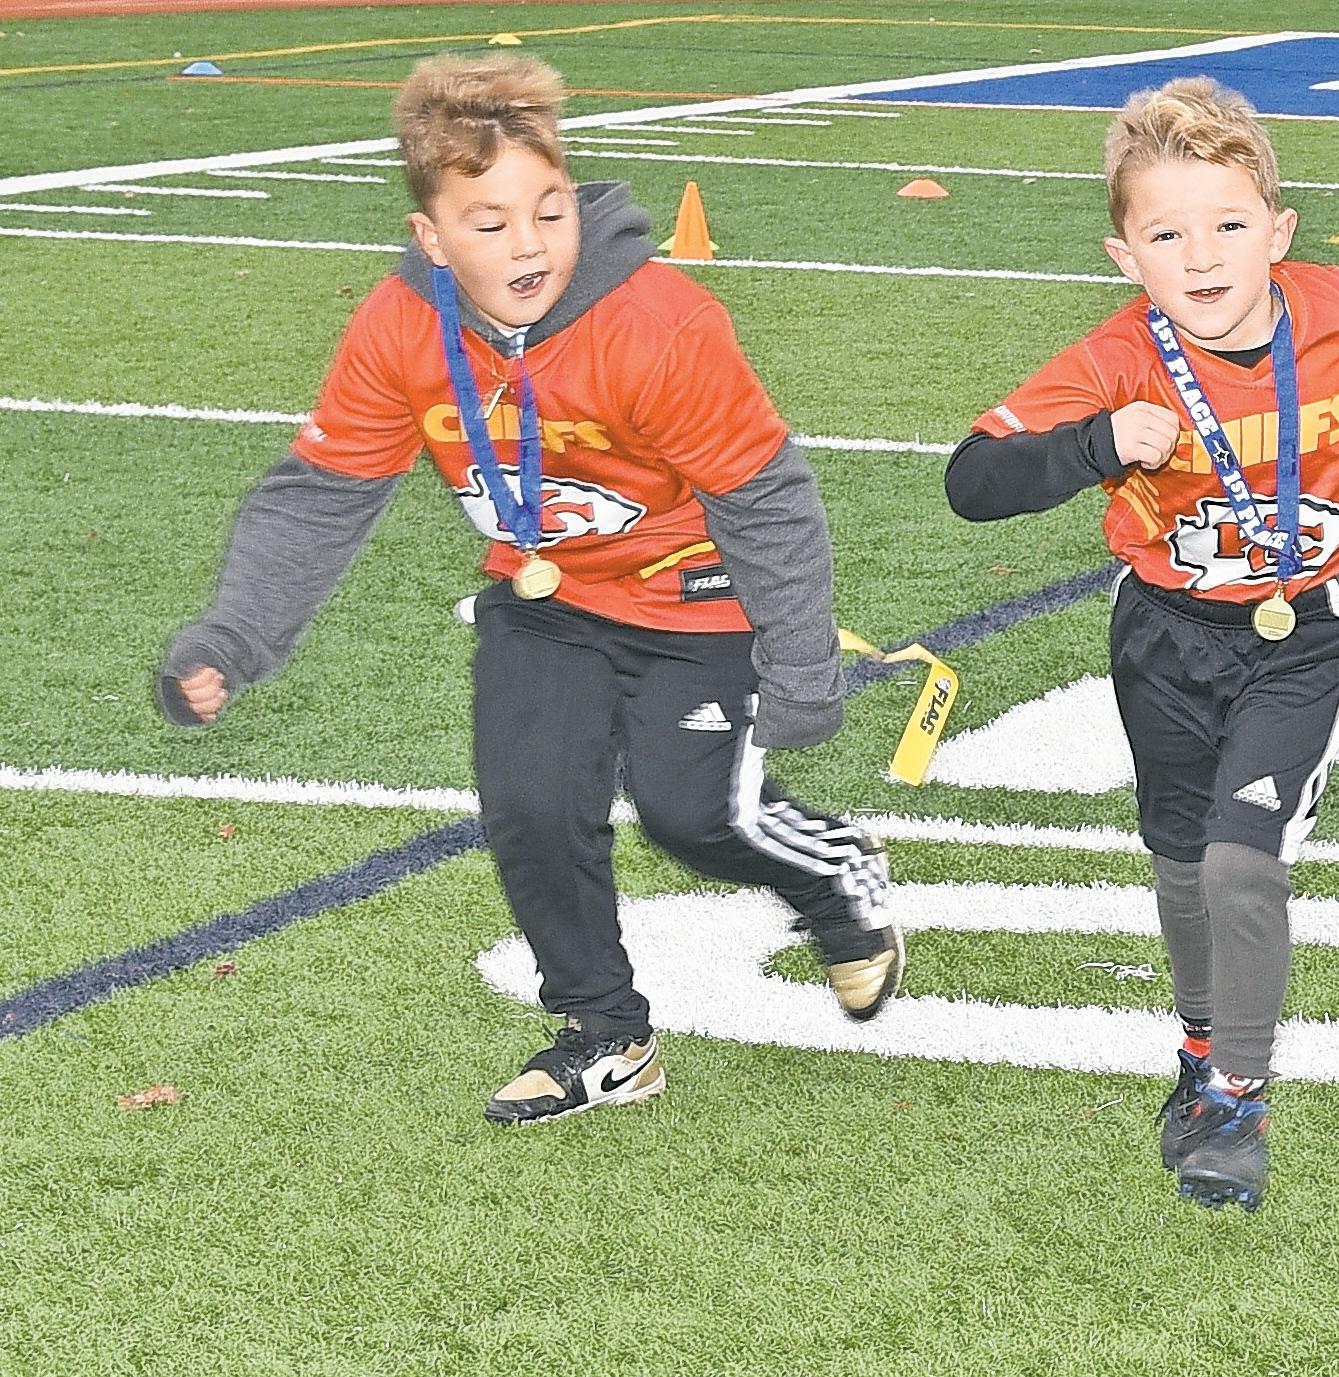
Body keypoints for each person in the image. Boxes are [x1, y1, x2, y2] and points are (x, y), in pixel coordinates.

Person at [158, 53, 900, 1125]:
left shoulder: (658, 322)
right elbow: (320, 495)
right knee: (531, 807)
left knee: (693, 816)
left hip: (696, 590)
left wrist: (800, 665)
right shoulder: (399, 326)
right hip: (548, 597)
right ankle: (607, 1036)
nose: (529, 244)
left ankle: (834, 878)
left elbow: (764, 496)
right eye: (490, 221)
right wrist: (234, 636)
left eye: (550, 211)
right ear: (431, 238)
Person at [944, 77, 1339, 1213]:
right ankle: (1200, 1047)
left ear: (1278, 230)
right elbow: (972, 482)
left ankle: (1237, 1099)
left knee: (1239, 859)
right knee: (1180, 863)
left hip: (1308, 629)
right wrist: (1094, 444)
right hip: (1162, 634)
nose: (1203, 255)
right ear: (1125, 256)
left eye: (1227, 224)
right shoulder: (1117, 359)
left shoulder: (1336, 308)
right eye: (1167, 234)